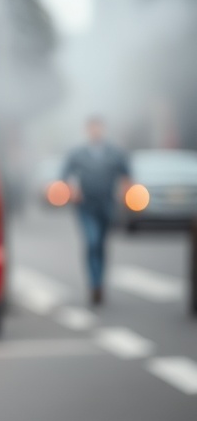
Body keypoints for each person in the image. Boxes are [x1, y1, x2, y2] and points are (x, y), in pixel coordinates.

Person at [61, 115, 131, 306]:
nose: (95, 131)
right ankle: (94, 283)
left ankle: (100, 281)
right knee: (91, 241)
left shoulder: (114, 153)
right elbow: (64, 176)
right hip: (85, 205)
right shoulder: (78, 154)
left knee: (101, 244)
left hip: (107, 204)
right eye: (92, 128)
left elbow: (127, 175)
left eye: (98, 127)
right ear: (87, 130)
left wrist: (125, 195)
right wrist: (72, 190)